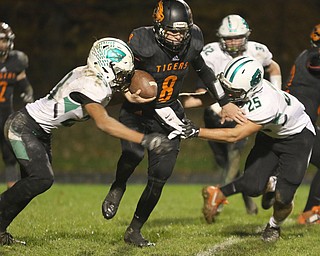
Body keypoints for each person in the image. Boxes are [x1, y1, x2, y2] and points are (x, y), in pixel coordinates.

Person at [0, 37, 174, 246]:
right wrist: (144, 139)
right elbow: (103, 122)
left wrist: (129, 98)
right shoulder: (91, 84)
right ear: (106, 66)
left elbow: (97, 102)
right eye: (120, 73)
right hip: (23, 127)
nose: (122, 79)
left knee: (32, 185)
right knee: (41, 179)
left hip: (38, 130)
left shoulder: (90, 76)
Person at [101, 0, 245, 247]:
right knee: (133, 154)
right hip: (137, 113)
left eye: (182, 31)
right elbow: (119, 74)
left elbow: (204, 71)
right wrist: (126, 92)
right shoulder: (142, 43)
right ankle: (119, 185)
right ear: (158, 27)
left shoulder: (192, 42)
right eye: (172, 31)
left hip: (168, 114)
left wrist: (223, 101)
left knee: (159, 177)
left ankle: (134, 229)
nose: (178, 37)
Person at [181, 56, 315, 242]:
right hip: (270, 136)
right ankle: (230, 190)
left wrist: (196, 131)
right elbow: (203, 99)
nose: (228, 93)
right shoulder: (241, 88)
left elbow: (234, 136)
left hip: (297, 138)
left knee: (283, 198)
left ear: (251, 89)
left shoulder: (265, 103)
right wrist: (168, 102)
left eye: (233, 90)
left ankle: (274, 226)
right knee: (252, 187)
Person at [195, 14, 282, 215]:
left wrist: (277, 92)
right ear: (220, 38)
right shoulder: (211, 53)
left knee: (234, 157)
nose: (233, 42)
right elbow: (201, 87)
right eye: (228, 38)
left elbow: (273, 66)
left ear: (247, 36)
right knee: (224, 163)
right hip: (215, 114)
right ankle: (248, 202)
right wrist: (218, 104)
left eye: (238, 37)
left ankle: (217, 198)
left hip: (242, 113)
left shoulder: (257, 50)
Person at [280, 24, 320, 224]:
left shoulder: (304, 55)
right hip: (301, 124)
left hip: (291, 119)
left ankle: (311, 211)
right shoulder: (313, 60)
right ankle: (311, 211)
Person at [0, 22, 34, 188]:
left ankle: (12, 194)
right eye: (0, 40)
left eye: (5, 40)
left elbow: (24, 85)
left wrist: (28, 96)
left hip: (5, 114)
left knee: (10, 155)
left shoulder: (16, 61)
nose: (3, 44)